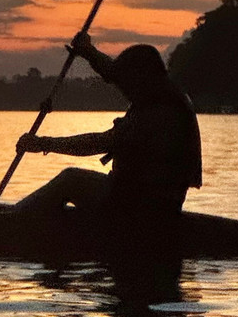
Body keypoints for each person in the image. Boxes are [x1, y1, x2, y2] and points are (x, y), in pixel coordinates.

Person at [15, 33, 202, 259]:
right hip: (137, 199)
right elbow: (114, 73)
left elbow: (100, 142)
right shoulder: (156, 93)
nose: (123, 89)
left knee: (71, 180)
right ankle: (26, 218)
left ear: (142, 77)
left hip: (146, 208)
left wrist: (43, 143)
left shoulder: (161, 110)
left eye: (128, 81)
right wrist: (88, 51)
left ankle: (14, 223)